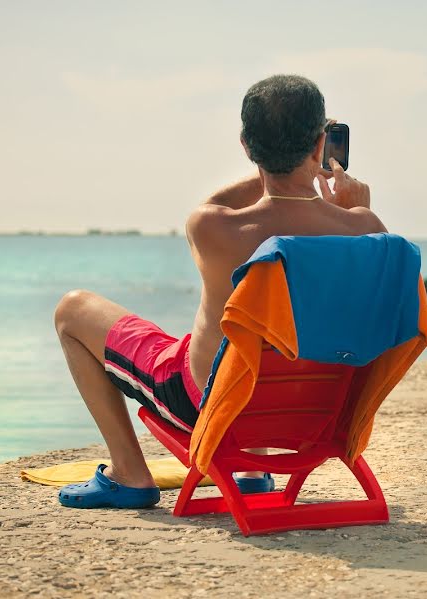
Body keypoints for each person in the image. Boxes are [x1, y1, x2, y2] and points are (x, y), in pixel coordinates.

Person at [53, 75, 386, 508]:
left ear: (247, 146)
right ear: (321, 143)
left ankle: (130, 473)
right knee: (266, 343)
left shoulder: (215, 228)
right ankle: (251, 472)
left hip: (215, 405)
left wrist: (282, 161)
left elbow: (211, 206)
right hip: (316, 412)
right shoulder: (367, 231)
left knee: (72, 310)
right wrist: (351, 204)